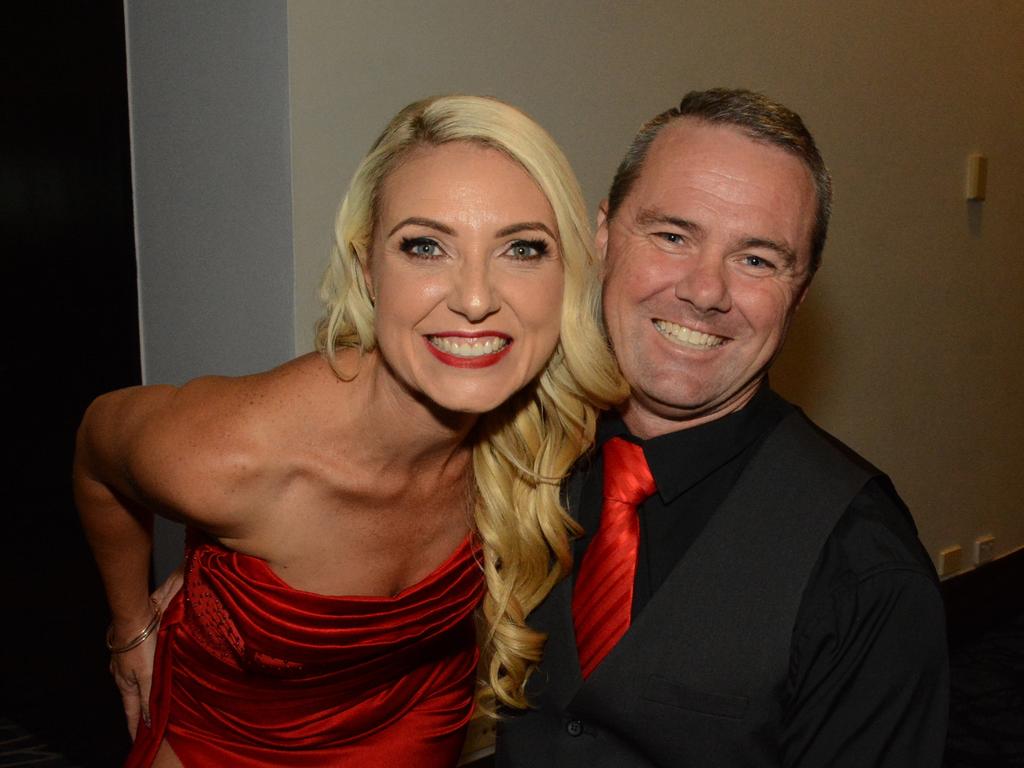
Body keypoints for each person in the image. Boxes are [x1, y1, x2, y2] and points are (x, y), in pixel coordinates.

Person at [73, 94, 625, 767]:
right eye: (425, 246)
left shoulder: (546, 428)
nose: (476, 298)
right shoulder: (229, 457)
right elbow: (96, 448)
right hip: (232, 739)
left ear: (565, 272)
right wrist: (129, 627)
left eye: (522, 248)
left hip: (419, 723)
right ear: (368, 270)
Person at [497, 88, 948, 767]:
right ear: (604, 236)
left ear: (799, 292)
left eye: (758, 259)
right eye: (674, 235)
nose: (705, 292)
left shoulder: (863, 568)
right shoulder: (515, 448)